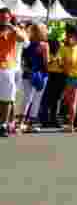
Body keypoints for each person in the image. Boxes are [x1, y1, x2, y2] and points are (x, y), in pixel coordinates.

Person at [0, 8, 28, 137]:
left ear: (10, 18)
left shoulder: (13, 31)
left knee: (7, 98)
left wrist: (13, 27)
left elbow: (23, 40)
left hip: (8, 68)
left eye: (6, 17)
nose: (3, 20)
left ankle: (4, 124)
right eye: (1, 17)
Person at [18, 23, 48, 132]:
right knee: (36, 100)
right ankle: (30, 123)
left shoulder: (26, 43)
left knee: (27, 98)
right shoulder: (44, 45)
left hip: (28, 73)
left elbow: (22, 59)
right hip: (41, 74)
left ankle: (21, 123)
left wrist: (26, 68)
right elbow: (46, 63)